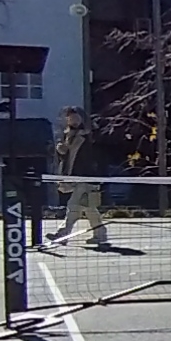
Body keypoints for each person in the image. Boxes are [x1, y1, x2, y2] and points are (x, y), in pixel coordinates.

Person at [48, 106, 118, 253]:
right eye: (70, 118)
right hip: (75, 176)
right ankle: (100, 235)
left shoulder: (90, 135)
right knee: (89, 208)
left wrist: (97, 174)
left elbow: (96, 155)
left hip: (87, 176)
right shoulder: (68, 136)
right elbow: (65, 157)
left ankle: (63, 234)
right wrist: (61, 151)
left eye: (75, 117)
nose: (73, 120)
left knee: (73, 206)